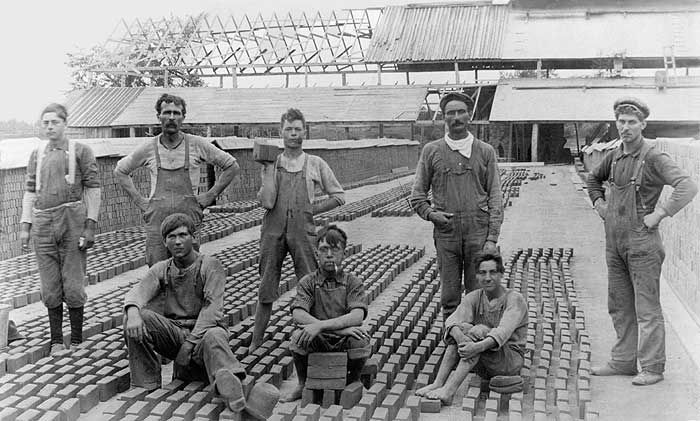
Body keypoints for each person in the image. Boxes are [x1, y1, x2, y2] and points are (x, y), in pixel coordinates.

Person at [586, 97, 698, 386]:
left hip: (642, 244)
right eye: (621, 122)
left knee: (646, 309)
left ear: (643, 124)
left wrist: (660, 213)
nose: (625, 127)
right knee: (619, 305)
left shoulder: (653, 157)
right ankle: (623, 361)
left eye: (631, 122)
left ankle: (652, 367)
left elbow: (687, 185)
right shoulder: (613, 156)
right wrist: (599, 205)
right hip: (615, 244)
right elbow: (592, 179)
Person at [123, 213, 268, 414]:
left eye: (183, 235)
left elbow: (212, 311)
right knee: (139, 318)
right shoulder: (162, 269)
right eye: (171, 237)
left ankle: (233, 386)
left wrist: (189, 345)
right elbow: (139, 291)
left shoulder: (210, 266)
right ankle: (145, 385)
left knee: (215, 335)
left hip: (203, 336)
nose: (178, 241)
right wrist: (132, 311)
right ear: (165, 242)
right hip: (175, 334)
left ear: (194, 237)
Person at [252, 108, 345, 351]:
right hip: (272, 232)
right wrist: (269, 169)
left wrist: (310, 210)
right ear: (280, 132)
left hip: (303, 233)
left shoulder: (315, 163)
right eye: (288, 129)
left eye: (297, 129)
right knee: (267, 284)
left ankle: (315, 337)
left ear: (305, 131)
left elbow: (338, 196)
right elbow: (267, 202)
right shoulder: (272, 163)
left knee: (310, 282)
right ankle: (256, 340)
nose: (293, 134)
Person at [114, 93, 240, 267]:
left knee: (188, 272)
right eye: (166, 112)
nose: (171, 117)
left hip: (188, 220)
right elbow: (120, 171)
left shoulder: (197, 144)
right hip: (157, 223)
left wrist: (210, 195)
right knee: (158, 272)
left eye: (176, 113)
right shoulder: (149, 148)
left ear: (183, 117)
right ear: (159, 117)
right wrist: (140, 201)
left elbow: (231, 166)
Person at [410, 92, 503, 320]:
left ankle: (477, 343)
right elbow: (417, 196)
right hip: (447, 234)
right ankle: (452, 340)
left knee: (479, 292)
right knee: (450, 296)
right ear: (444, 117)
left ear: (469, 116)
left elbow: (495, 196)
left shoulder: (485, 151)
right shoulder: (431, 151)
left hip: (477, 234)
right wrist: (432, 215)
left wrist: (491, 238)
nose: (456, 117)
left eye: (461, 112)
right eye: (450, 113)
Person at [19, 103, 101, 355]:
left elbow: (93, 189)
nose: (50, 127)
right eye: (45, 122)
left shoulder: (81, 151)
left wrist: (90, 227)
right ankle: (56, 341)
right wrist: (25, 227)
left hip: (72, 220)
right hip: (43, 223)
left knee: (73, 283)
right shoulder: (37, 154)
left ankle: (76, 339)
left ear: (65, 123)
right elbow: (30, 191)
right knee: (49, 285)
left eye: (55, 122)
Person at [415, 251, 527, 403]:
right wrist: (461, 337)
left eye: (493, 272)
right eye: (482, 273)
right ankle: (438, 383)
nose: (487, 278)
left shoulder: (514, 299)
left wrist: (475, 346)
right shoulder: (474, 297)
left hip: (508, 360)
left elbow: (502, 332)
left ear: (501, 274)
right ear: (476, 276)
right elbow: (451, 321)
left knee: (477, 332)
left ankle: (448, 392)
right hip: (486, 358)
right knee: (461, 329)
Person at [281, 225, 371, 402]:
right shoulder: (308, 282)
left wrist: (321, 326)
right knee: (297, 338)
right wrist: (336, 329)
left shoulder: (353, 282)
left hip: (343, 340)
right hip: (318, 339)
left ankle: (353, 381)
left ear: (344, 253)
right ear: (317, 254)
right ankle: (302, 383)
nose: (329, 254)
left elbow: (357, 316)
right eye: (324, 249)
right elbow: (298, 314)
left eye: (335, 249)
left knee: (360, 339)